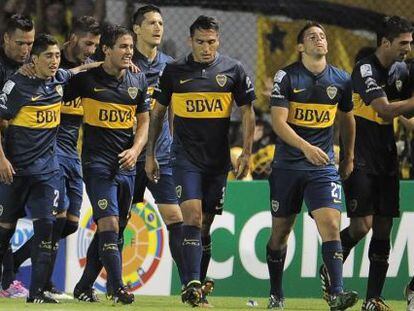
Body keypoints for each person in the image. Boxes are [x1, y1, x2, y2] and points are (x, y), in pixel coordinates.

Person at [145, 15, 255, 307]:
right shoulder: (174, 71)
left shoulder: (233, 70)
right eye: (200, 42)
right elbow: (157, 113)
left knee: (204, 225)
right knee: (191, 217)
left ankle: (197, 287)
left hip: (218, 161)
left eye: (211, 42)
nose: (206, 48)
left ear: (218, 40)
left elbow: (247, 111)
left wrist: (246, 151)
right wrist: (151, 153)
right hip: (184, 159)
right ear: (189, 41)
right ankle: (191, 283)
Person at [318, 16, 414, 311]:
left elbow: (406, 116)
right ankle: (331, 269)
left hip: (386, 158)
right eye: (403, 43)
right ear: (385, 42)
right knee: (362, 226)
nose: (408, 48)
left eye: (410, 43)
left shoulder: (400, 71)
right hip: (359, 157)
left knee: (384, 228)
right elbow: (384, 110)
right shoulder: (364, 69)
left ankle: (373, 298)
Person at [267, 22, 358, 310]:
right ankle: (276, 294)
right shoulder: (287, 76)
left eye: (322, 36)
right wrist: (306, 148)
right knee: (281, 232)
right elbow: (278, 122)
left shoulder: (342, 80)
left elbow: (348, 119)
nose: (319, 40)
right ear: (300, 47)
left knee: (331, 224)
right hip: (288, 165)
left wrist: (348, 156)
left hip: (323, 167)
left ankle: (336, 293)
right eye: (311, 37)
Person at [11, 15, 101, 299]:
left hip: (73, 151)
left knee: (70, 223)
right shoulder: (46, 67)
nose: (91, 50)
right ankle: (39, 281)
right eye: (88, 43)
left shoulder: (84, 72)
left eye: (96, 45)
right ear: (73, 38)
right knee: (51, 219)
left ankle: (17, 263)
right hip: (50, 150)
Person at [69, 24, 149, 304]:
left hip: (127, 166)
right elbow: (53, 92)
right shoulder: (87, 79)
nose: (129, 52)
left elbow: (144, 120)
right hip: (96, 164)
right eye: (123, 47)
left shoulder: (137, 81)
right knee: (110, 224)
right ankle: (116, 288)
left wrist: (137, 149)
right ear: (106, 50)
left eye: (130, 47)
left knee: (114, 230)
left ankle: (83, 286)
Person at [0, 33, 75, 303]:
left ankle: (37, 293)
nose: (55, 61)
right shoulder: (16, 86)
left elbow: (77, 70)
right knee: (3, 232)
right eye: (49, 56)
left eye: (57, 56)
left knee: (47, 231)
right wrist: (2, 159)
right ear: (35, 59)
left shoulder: (58, 80)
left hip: (47, 173)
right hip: (15, 173)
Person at [130, 4, 189, 301]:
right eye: (151, 22)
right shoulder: (123, 61)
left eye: (161, 23)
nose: (157, 27)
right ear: (136, 29)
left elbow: (173, 112)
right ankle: (91, 284)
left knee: (175, 218)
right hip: (127, 156)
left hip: (161, 157)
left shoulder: (170, 65)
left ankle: (189, 286)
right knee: (114, 222)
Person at [0, 13, 34, 298]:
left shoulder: (31, 68)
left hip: (16, 156)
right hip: (3, 155)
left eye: (30, 44)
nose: (26, 49)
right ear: (6, 39)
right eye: (21, 43)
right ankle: (8, 281)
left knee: (6, 221)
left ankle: (8, 280)